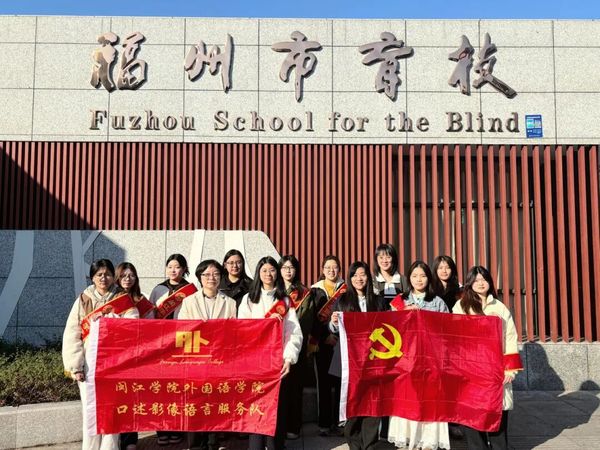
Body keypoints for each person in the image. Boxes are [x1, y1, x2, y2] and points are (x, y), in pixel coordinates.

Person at [62, 259, 139, 450]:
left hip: (115, 363)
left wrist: (109, 319)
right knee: (91, 410)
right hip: (89, 364)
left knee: (113, 410)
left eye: (107, 274)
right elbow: (72, 333)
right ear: (92, 277)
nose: (103, 278)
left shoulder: (122, 298)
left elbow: (133, 325)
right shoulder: (83, 299)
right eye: (99, 275)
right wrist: (75, 366)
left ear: (113, 276)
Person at [452, 266, 522, 450]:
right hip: (471, 371)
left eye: (484, 279)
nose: (480, 283)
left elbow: (510, 338)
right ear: (469, 283)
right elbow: (455, 338)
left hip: (495, 370)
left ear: (490, 282)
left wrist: (510, 370)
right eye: (476, 280)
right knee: (471, 415)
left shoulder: (500, 307)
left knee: (497, 415)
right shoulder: (461, 306)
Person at [238, 256, 303, 450]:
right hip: (255, 363)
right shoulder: (249, 299)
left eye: (272, 270)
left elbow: (293, 332)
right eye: (264, 270)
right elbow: (242, 330)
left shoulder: (285, 301)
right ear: (258, 273)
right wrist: (266, 324)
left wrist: (288, 358)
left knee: (277, 408)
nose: (268, 274)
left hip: (277, 364)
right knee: (256, 407)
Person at [388, 260, 450, 450]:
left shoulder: (438, 302)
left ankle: (428, 439)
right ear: (409, 279)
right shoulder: (399, 301)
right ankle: (406, 436)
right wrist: (403, 314)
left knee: (430, 398)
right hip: (406, 359)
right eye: (414, 276)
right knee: (409, 397)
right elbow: (390, 329)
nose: (419, 279)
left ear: (429, 278)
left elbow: (447, 330)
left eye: (423, 275)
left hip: (431, 359)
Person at [179, 260, 237, 450]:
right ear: (199, 277)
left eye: (216, 274)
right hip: (195, 361)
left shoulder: (230, 303)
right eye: (207, 274)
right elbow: (182, 330)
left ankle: (214, 443)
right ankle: (196, 445)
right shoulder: (189, 301)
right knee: (195, 404)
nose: (211, 278)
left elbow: (233, 332)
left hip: (219, 360)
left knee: (215, 402)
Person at [330, 261, 385, 450]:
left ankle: (370, 444)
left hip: (372, 360)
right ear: (349, 278)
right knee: (353, 402)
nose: (359, 279)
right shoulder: (342, 300)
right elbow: (333, 330)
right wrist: (334, 323)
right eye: (354, 275)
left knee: (371, 404)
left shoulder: (378, 301)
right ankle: (354, 442)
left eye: (362, 274)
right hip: (349, 361)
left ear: (368, 277)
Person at [149, 254, 196, 446]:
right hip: (161, 343)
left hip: (182, 342)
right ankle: (162, 429)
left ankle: (177, 428)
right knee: (161, 388)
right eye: (170, 266)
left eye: (177, 267)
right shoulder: (158, 289)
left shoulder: (191, 290)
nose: (173, 270)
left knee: (179, 387)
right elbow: (151, 315)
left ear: (184, 269)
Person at [114, 262, 153, 450]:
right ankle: (114, 439)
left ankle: (130, 440)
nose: (127, 279)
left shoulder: (141, 300)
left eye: (131, 275)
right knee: (116, 399)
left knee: (132, 399)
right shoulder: (111, 299)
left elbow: (151, 327)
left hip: (136, 357)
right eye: (123, 276)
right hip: (114, 357)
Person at [278, 255, 316, 440]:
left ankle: (293, 426)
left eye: (291, 268)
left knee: (294, 388)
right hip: (275, 347)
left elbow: (306, 319)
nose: (288, 271)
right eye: (285, 267)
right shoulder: (274, 290)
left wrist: (292, 335)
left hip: (295, 345)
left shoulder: (304, 293)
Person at [310, 255, 347, 436]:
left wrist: (338, 335)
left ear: (339, 269)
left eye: (335, 267)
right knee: (323, 385)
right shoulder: (315, 291)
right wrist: (325, 336)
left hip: (342, 342)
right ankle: (324, 423)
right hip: (322, 344)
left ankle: (339, 422)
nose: (332, 271)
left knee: (341, 383)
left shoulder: (345, 289)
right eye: (328, 268)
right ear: (322, 270)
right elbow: (312, 318)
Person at [372, 243, 409, 308]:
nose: (384, 261)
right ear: (376, 260)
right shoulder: (372, 280)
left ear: (393, 259)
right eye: (381, 257)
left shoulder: (403, 280)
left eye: (388, 257)